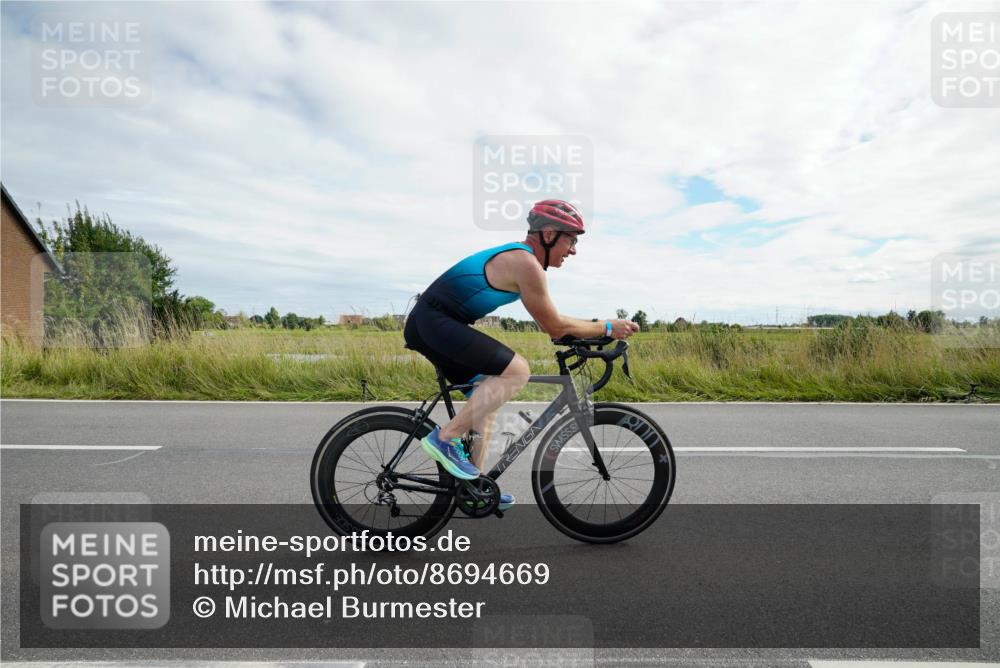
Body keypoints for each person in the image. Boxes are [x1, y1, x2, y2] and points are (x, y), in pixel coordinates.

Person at [403, 199, 639, 509]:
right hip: (433, 321)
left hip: (435, 322)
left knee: (486, 394)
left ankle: (474, 489)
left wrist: (596, 330)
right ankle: (445, 439)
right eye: (571, 239)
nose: (573, 250)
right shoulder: (525, 263)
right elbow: (554, 326)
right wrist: (608, 327)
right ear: (550, 233)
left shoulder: (526, 262)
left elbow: (556, 322)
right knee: (517, 371)